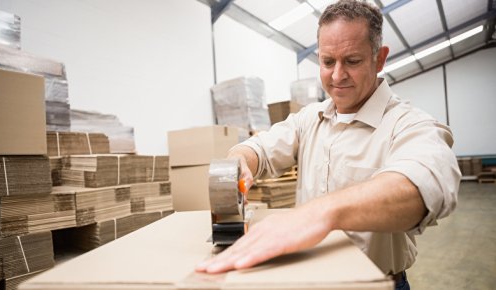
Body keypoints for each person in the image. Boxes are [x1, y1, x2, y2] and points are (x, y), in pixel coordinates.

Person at [196, 1, 460, 289]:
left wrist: (319, 214)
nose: (337, 76)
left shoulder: (409, 124)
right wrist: (239, 161)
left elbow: (424, 186)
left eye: (353, 61)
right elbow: (259, 148)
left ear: (379, 58)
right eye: (327, 61)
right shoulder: (310, 119)